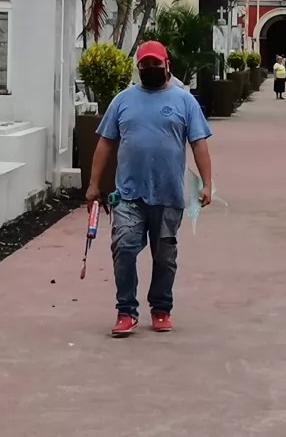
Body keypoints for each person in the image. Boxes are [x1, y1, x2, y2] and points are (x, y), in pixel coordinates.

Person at [87, 40, 213, 337]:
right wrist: (93, 184)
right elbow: (105, 143)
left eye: (157, 64)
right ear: (138, 68)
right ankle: (125, 311)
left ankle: (161, 308)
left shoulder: (185, 102)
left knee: (164, 257)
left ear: (167, 65)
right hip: (129, 195)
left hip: (169, 195)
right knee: (124, 249)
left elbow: (199, 144)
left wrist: (208, 184)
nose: (152, 69)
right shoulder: (122, 101)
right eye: (146, 65)